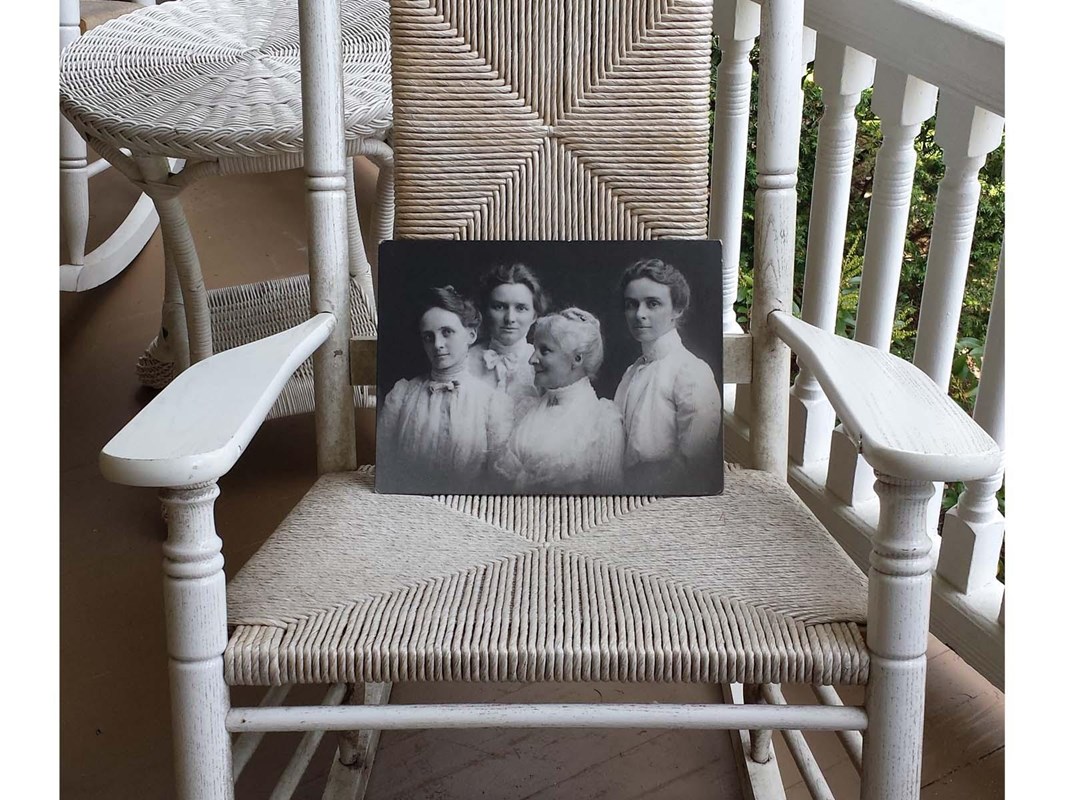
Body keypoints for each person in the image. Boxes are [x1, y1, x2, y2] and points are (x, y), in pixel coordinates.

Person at [377, 286, 512, 494]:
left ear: (471, 335)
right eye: (428, 337)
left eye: (447, 332)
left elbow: (497, 480)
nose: (437, 344)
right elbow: (385, 465)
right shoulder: (402, 395)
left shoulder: (491, 403)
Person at [614, 258, 721, 495]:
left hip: (669, 496)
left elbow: (695, 460)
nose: (639, 314)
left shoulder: (690, 370)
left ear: (677, 309)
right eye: (631, 304)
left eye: (652, 304)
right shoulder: (631, 372)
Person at [493, 308, 624, 494]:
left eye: (544, 350)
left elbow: (607, 499)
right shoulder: (526, 409)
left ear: (576, 359)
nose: (532, 359)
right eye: (535, 349)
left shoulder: (603, 421)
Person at [467, 263, 548, 398]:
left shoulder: (544, 364)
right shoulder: (466, 361)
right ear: (485, 311)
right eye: (499, 307)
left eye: (521, 308)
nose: (510, 318)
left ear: (534, 315)